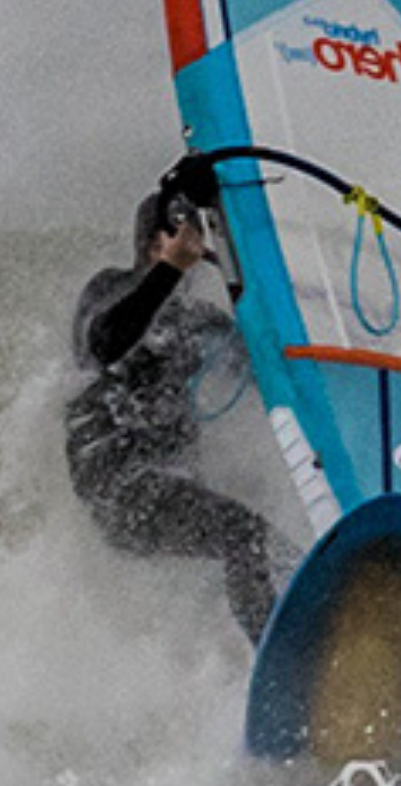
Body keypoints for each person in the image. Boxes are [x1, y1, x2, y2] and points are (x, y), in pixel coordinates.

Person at [65, 192, 280, 643]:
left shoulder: (200, 320)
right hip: (119, 487)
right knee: (243, 532)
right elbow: (104, 345)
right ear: (154, 243)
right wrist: (169, 271)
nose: (197, 257)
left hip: (173, 483)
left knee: (273, 533)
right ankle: (284, 661)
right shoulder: (109, 289)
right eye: (187, 241)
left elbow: (269, 377)